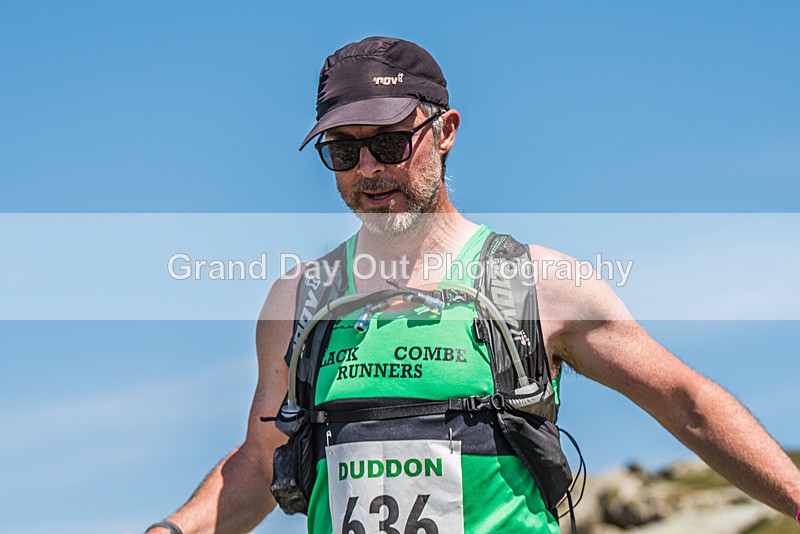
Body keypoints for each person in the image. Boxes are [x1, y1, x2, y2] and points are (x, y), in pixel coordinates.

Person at [144, 36, 800, 534]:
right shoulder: (298, 302)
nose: (368, 170)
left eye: (391, 143)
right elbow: (262, 464)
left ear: (446, 131)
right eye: (343, 151)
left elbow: (685, 402)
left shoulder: (540, 283)